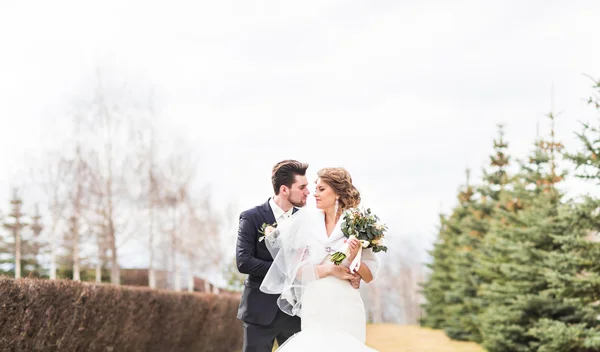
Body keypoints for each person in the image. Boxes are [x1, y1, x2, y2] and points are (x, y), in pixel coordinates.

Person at [236, 160, 360, 352]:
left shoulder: (309, 220)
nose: (308, 192)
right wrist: (289, 270)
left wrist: (346, 269)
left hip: (297, 312)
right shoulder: (252, 217)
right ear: (285, 189)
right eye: (302, 187)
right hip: (260, 312)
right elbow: (244, 262)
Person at [260, 167, 380, 351]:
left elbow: (369, 275)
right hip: (315, 302)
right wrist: (331, 269)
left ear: (338, 192)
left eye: (321, 189)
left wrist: (356, 257)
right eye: (315, 189)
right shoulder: (305, 223)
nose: (315, 194)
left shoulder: (359, 223)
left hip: (346, 302)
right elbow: (298, 272)